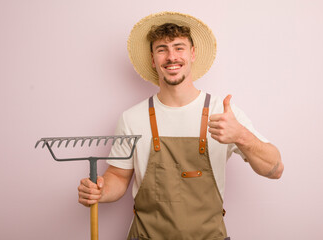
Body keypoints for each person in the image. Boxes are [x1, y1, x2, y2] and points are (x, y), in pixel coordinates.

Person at [78, 12, 283, 240]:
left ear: (192, 53)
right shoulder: (132, 118)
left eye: (179, 47)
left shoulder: (223, 113)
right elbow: (118, 176)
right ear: (153, 59)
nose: (171, 56)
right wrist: (100, 190)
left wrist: (241, 136)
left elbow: (275, 169)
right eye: (162, 49)